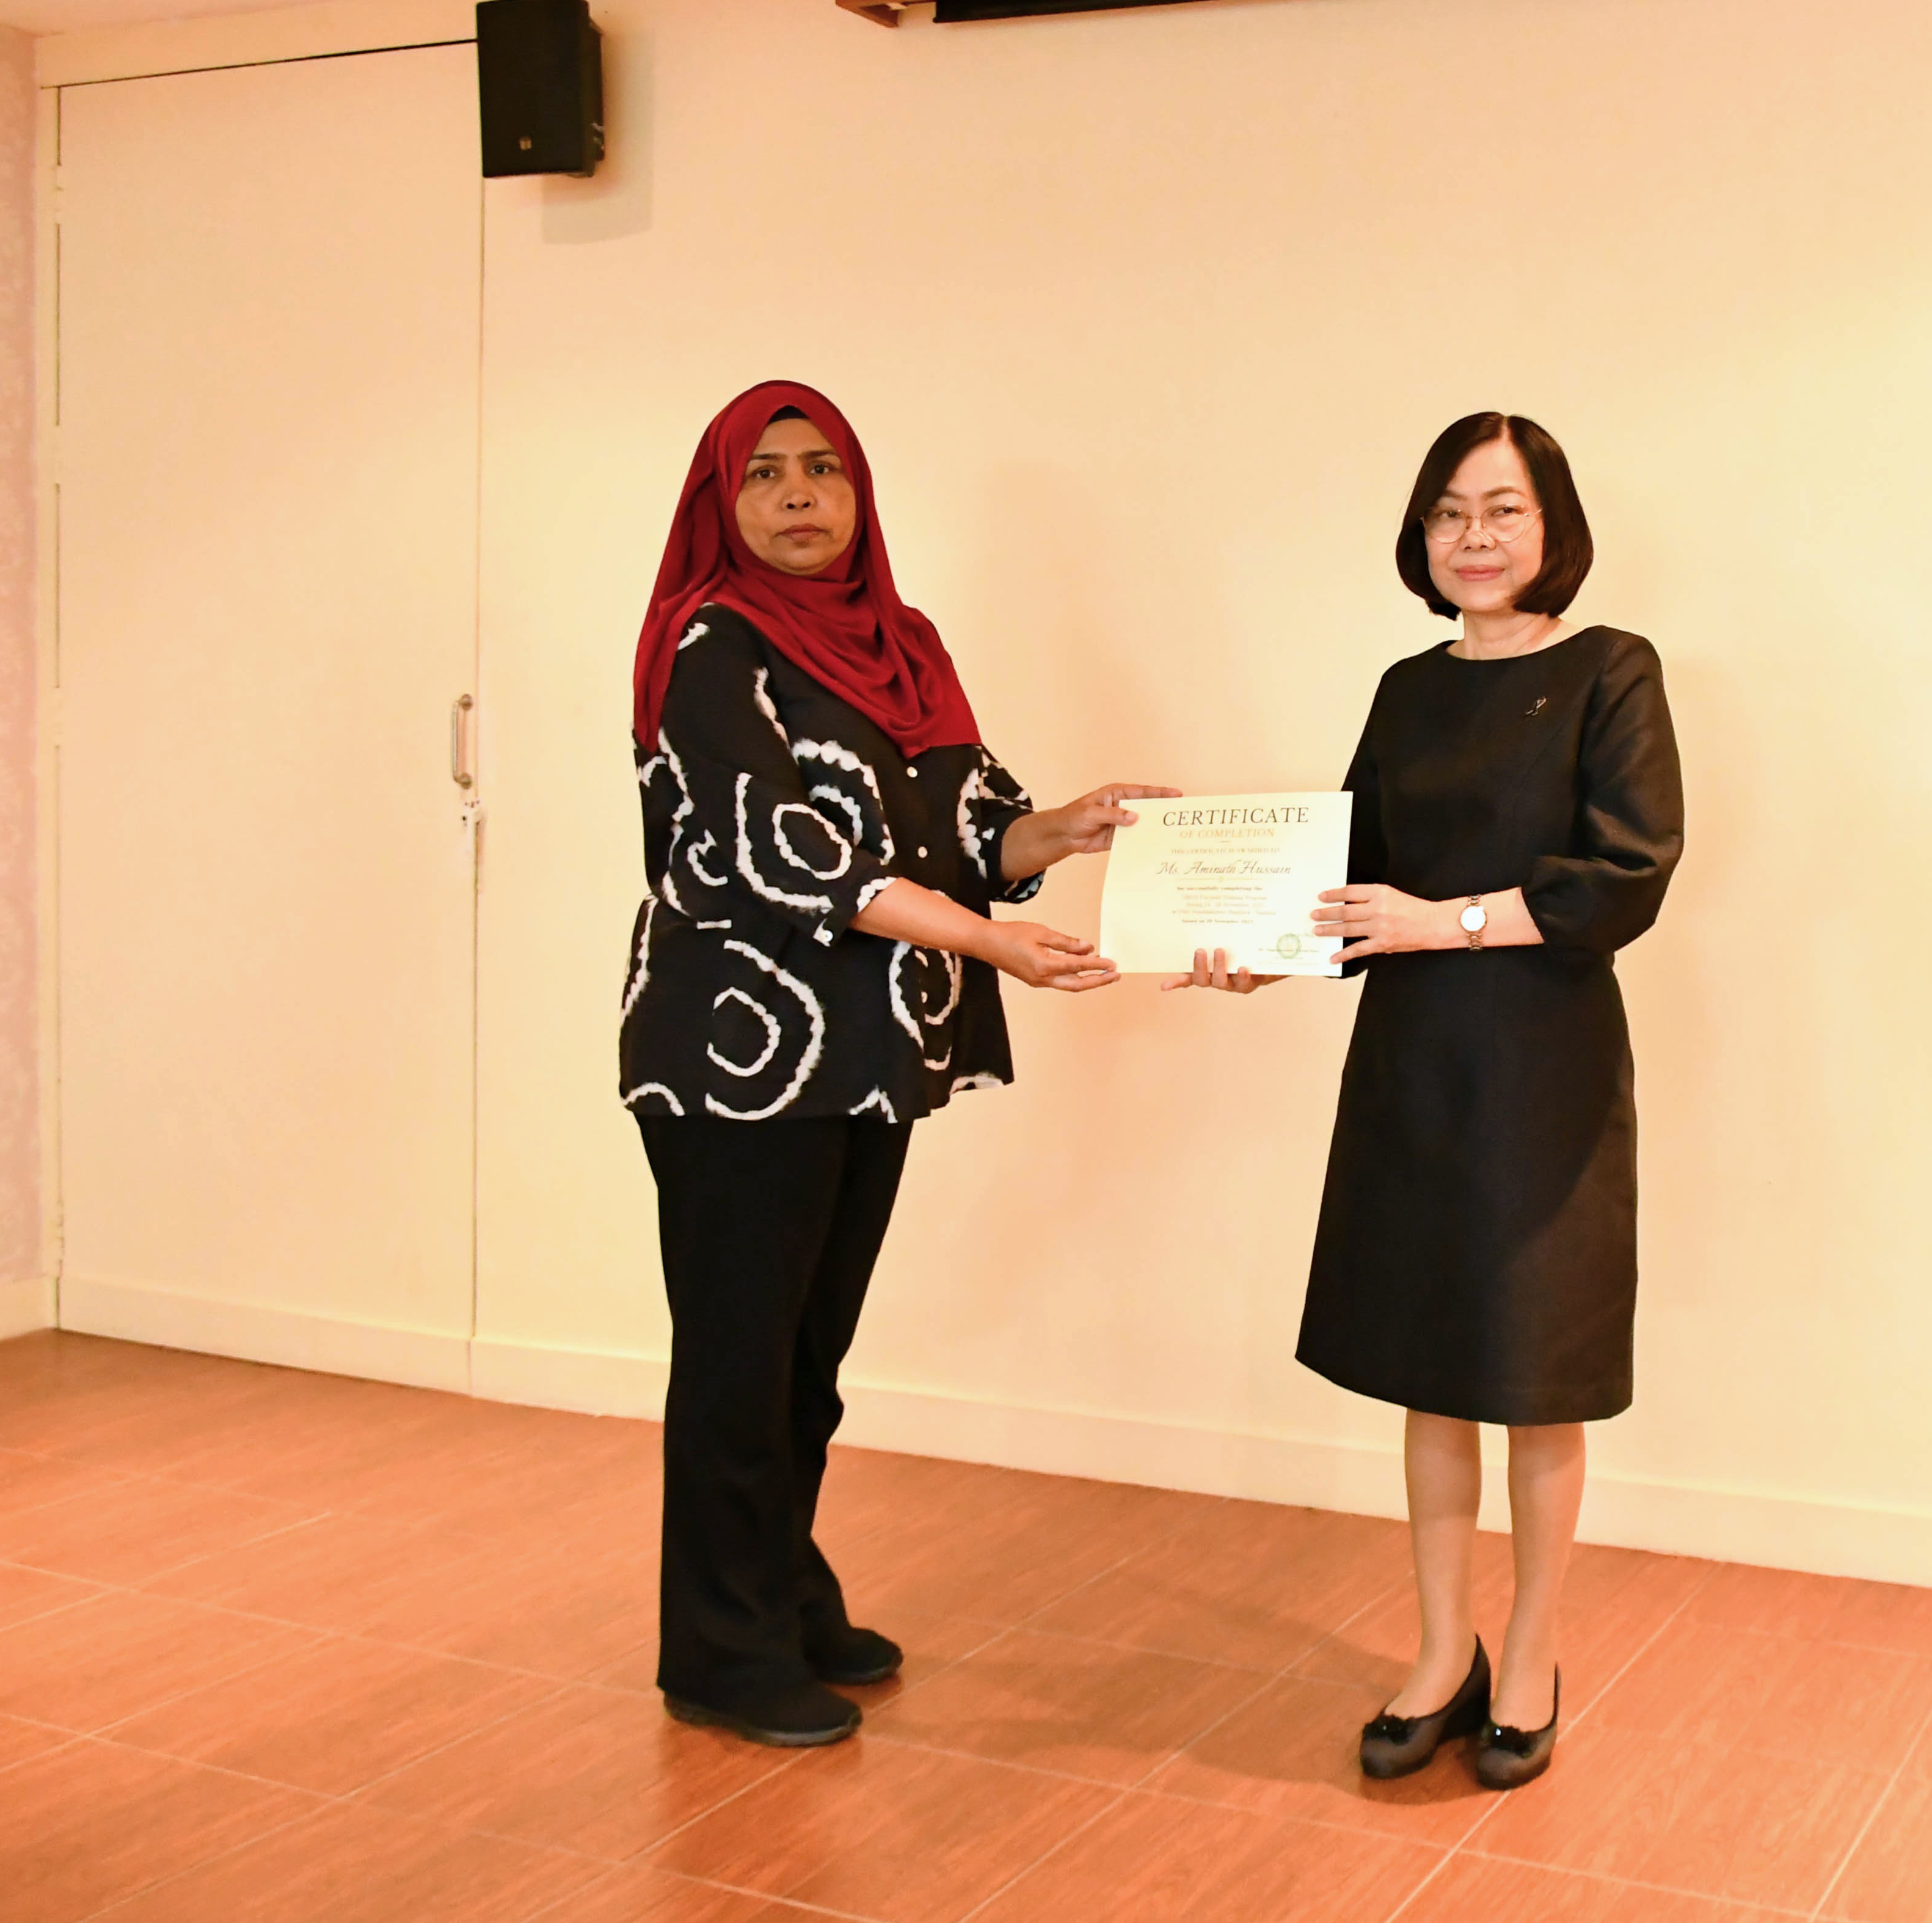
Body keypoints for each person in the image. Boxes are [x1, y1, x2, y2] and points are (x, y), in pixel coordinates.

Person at [622, 379, 1168, 1746]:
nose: (798, 494)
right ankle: (719, 1651)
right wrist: (992, 944)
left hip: (865, 1055)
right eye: (763, 474)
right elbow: (790, 853)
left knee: (808, 1358)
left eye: (823, 468)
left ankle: (782, 1596)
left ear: (858, 491)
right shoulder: (712, 643)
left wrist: (1070, 826)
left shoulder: (901, 645)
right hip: (736, 1057)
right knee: (741, 1360)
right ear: (722, 503)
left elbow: (969, 827)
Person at [1170, 411, 1683, 1789]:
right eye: (1450, 511)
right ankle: (1441, 1650)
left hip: (1545, 1068)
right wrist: (1253, 950)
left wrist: (1437, 922)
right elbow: (1346, 882)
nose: (1475, 536)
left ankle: (1531, 1652)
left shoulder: (1611, 670)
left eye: (1503, 509)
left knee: (1534, 1370)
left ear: (1552, 525)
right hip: (1412, 1066)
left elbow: (1626, 876)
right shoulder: (1407, 688)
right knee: (1431, 1369)